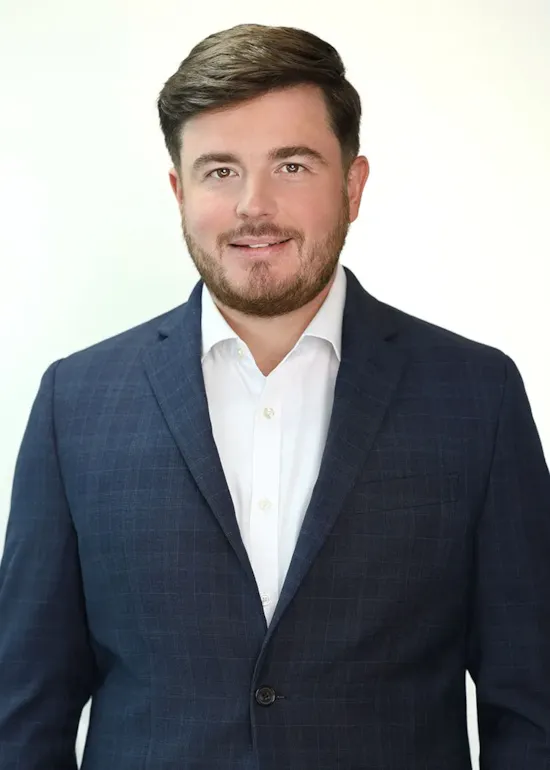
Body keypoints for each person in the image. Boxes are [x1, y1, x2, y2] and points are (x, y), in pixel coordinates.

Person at [0, 21, 549, 770]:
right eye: (220, 170)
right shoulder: (75, 403)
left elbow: (534, 705)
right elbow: (23, 712)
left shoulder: (476, 397)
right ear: (178, 189)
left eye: (292, 166)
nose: (254, 206)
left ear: (353, 186)